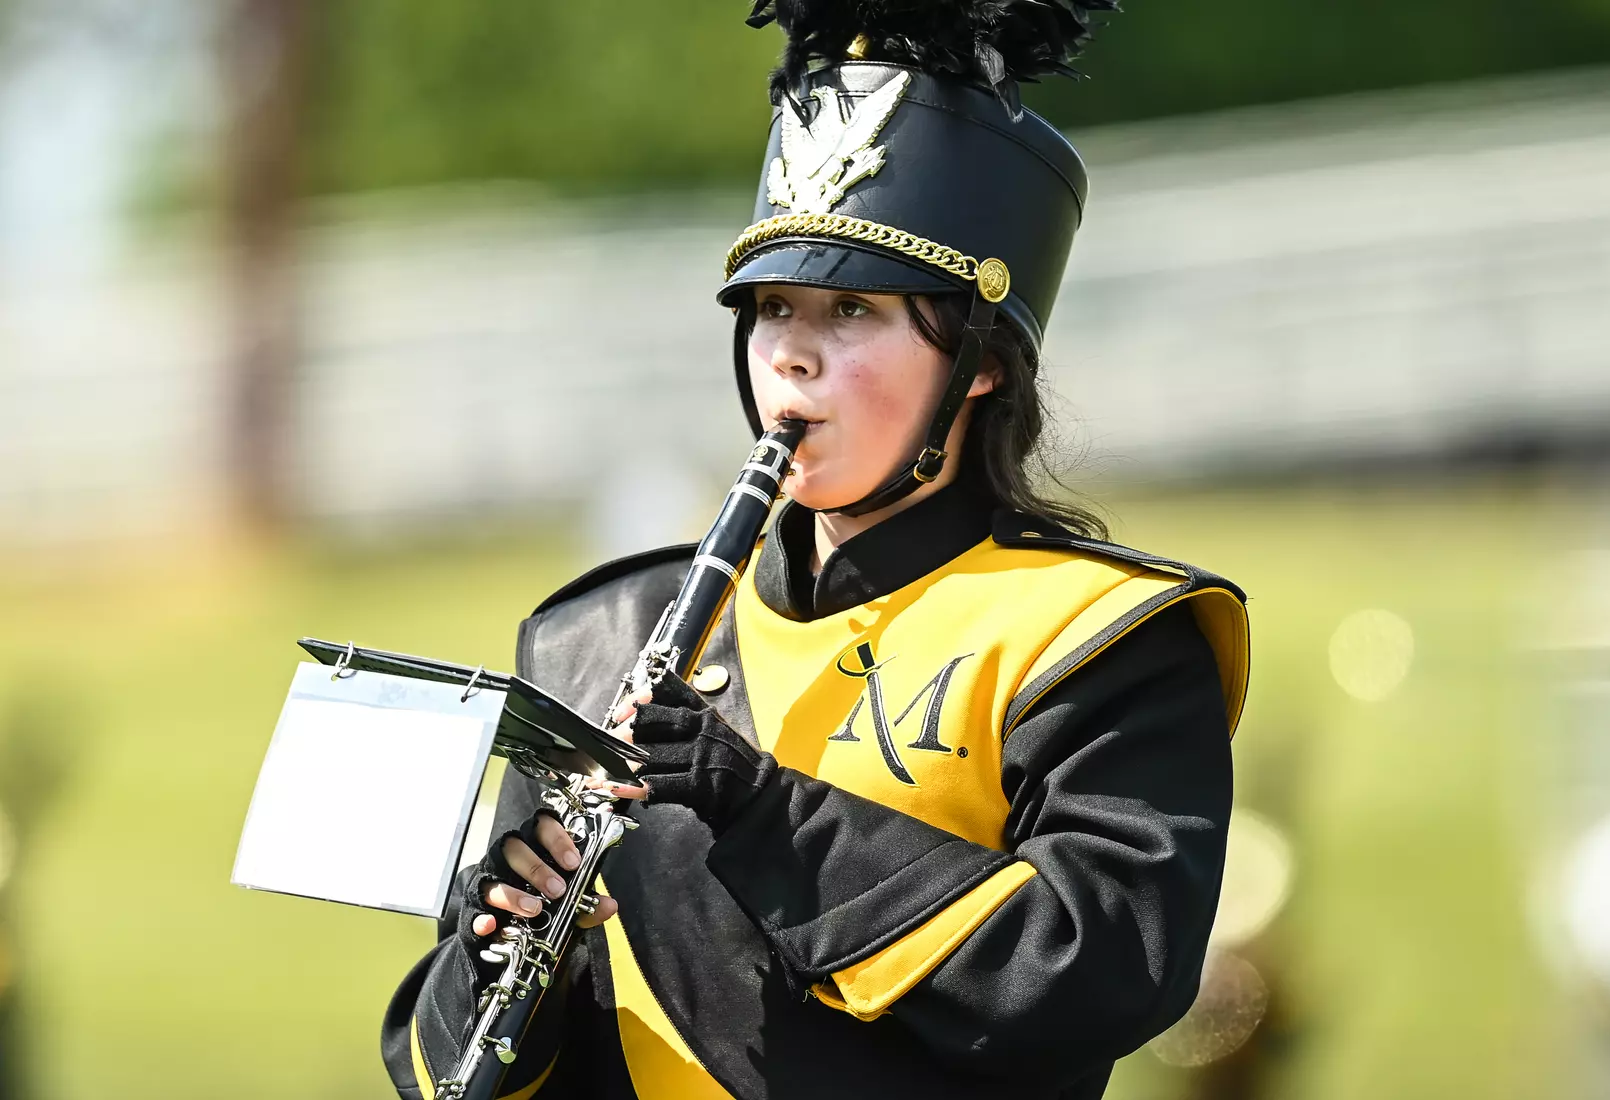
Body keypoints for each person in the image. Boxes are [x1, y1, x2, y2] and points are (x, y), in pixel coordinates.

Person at [382, 3, 1250, 1098]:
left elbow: (1101, 967)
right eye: (771, 307)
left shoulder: (1095, 641)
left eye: (849, 309)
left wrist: (766, 813)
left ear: (977, 362)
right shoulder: (596, 638)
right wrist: (495, 958)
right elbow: (451, 1069)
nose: (790, 354)